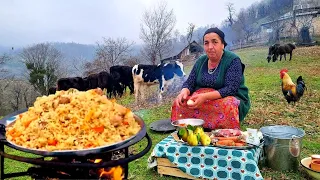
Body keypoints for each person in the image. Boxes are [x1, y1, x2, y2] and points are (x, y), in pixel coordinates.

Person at [171, 27, 250, 130]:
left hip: (226, 99)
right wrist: (184, 92)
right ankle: (192, 125)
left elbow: (231, 89)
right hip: (201, 99)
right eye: (206, 43)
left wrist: (205, 97)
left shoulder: (233, 60)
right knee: (180, 103)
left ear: (222, 45)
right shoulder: (201, 61)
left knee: (228, 105)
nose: (210, 47)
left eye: (215, 42)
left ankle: (223, 127)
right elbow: (189, 83)